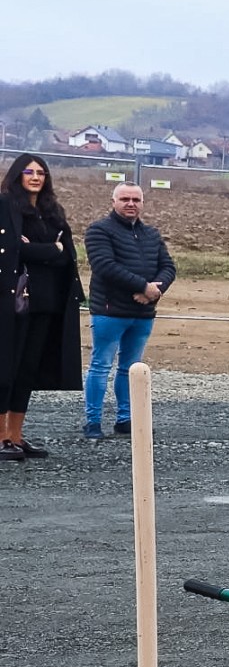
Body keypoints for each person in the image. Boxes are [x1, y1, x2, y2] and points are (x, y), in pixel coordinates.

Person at [0, 154, 83, 459]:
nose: (35, 177)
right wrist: (51, 249)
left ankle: (15, 436)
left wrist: (40, 250)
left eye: (41, 172)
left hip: (48, 302)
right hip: (13, 302)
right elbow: (12, 251)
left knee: (28, 371)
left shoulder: (52, 212)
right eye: (29, 171)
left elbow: (67, 254)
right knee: (5, 369)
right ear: (17, 175)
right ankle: (0, 437)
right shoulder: (5, 206)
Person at [82, 182, 175, 440]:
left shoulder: (151, 234)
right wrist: (143, 286)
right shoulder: (99, 231)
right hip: (110, 312)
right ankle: (93, 421)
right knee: (101, 366)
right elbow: (105, 266)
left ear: (142, 203)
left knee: (130, 368)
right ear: (113, 201)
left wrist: (156, 290)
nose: (131, 203)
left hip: (142, 313)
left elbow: (168, 266)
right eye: (125, 199)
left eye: (136, 199)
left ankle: (125, 419)